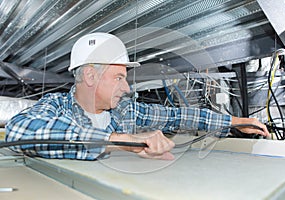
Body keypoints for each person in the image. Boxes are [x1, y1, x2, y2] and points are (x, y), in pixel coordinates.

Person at [5, 32, 269, 161]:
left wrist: (234, 122)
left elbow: (180, 116)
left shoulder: (127, 111)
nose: (127, 88)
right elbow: (20, 131)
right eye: (119, 78)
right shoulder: (55, 106)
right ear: (90, 76)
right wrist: (122, 140)